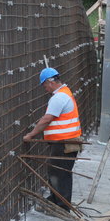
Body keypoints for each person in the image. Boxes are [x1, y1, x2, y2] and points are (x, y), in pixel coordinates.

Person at [23, 67, 82, 209]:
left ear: (51, 82)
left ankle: (62, 206)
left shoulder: (59, 97)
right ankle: (55, 200)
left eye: (44, 85)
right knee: (55, 171)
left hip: (64, 143)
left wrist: (31, 135)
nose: (45, 88)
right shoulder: (64, 93)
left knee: (61, 174)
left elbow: (47, 119)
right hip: (66, 141)